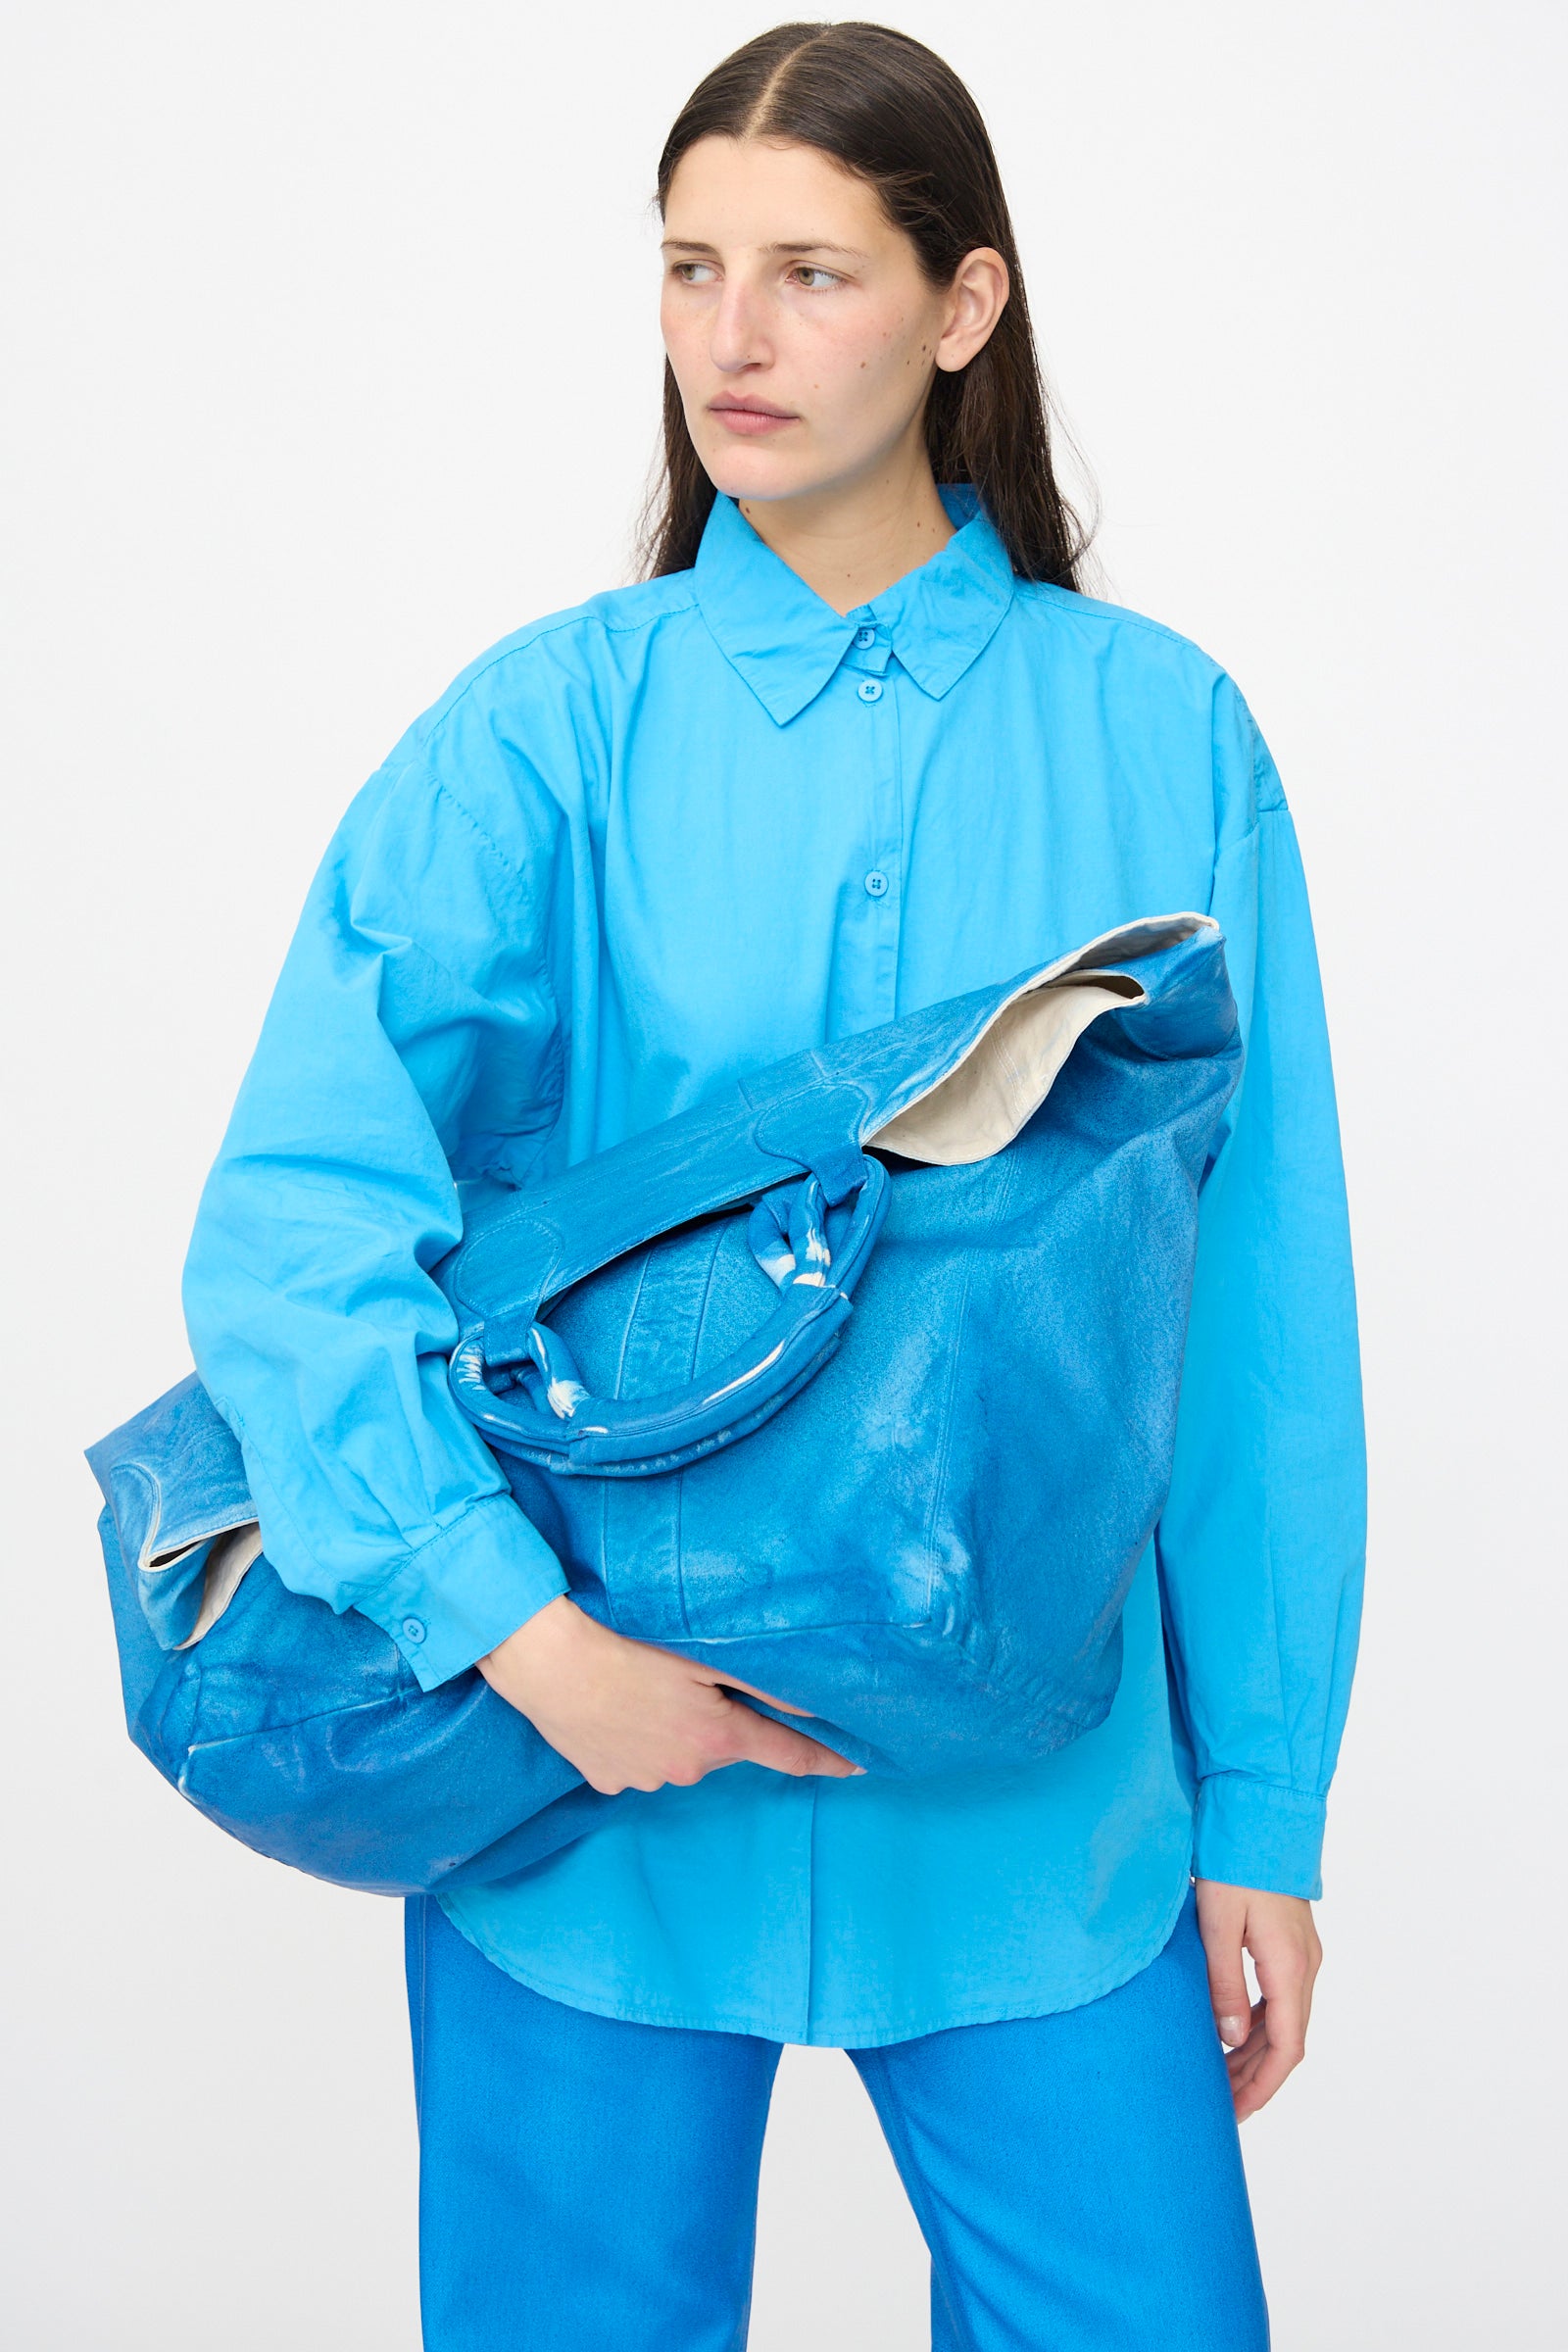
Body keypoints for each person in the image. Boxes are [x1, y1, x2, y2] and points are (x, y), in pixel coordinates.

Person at [182, 22, 1365, 2349]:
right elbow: (293, 1221)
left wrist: (1259, 1804)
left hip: (1048, 1818)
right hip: (584, 1796)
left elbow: (1247, 1312)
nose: (732, 334)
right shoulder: (543, 730)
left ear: (961, 305)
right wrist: (517, 1641)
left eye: (809, 270)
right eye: (690, 266)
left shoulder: (1159, 735)